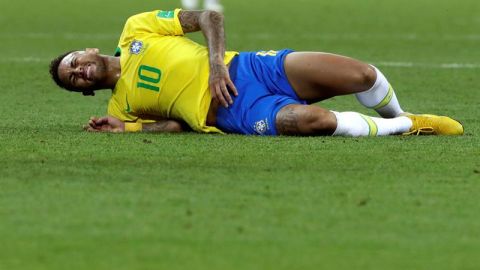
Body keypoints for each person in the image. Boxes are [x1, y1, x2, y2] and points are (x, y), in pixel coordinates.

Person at [49, 9, 463, 137]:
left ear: (88, 51)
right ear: (83, 91)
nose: (79, 72)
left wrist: (215, 65)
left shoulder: (136, 27)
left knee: (362, 75)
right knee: (310, 121)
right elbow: (175, 126)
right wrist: (127, 131)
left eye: (74, 63)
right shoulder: (121, 106)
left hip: (248, 66)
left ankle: (399, 115)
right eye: (74, 79)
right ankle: (411, 126)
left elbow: (207, 17)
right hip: (233, 109)